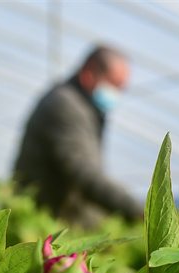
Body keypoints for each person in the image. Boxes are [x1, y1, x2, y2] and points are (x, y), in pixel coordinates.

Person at [13, 45, 141, 228]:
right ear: (89, 74)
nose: (116, 94)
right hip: (45, 220)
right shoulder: (65, 106)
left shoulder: (86, 108)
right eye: (113, 85)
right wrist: (139, 212)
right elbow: (85, 174)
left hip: (60, 219)